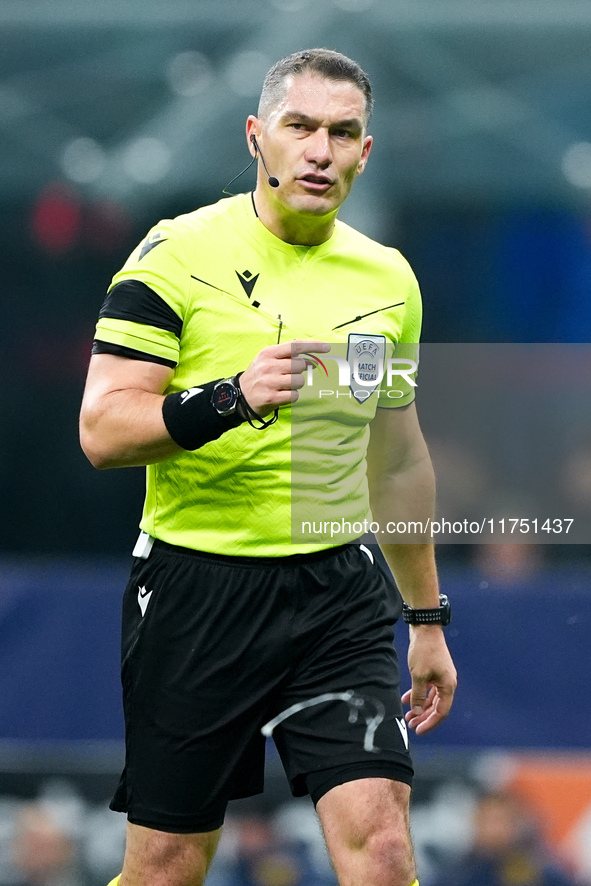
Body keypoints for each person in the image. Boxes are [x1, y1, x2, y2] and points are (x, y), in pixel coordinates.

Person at [80, 48, 457, 886]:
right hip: (194, 591)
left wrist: (426, 622)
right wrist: (231, 399)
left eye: (342, 132)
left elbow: (396, 462)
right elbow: (103, 429)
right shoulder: (173, 255)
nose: (320, 150)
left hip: (337, 597)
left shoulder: (387, 278)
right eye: (300, 127)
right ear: (257, 137)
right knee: (167, 868)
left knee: (385, 847)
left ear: (366, 151)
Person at [429, 789, 576, 886]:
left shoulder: (540, 870)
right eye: (486, 820)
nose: (493, 828)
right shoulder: (457, 875)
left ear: (515, 825)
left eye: (499, 820)